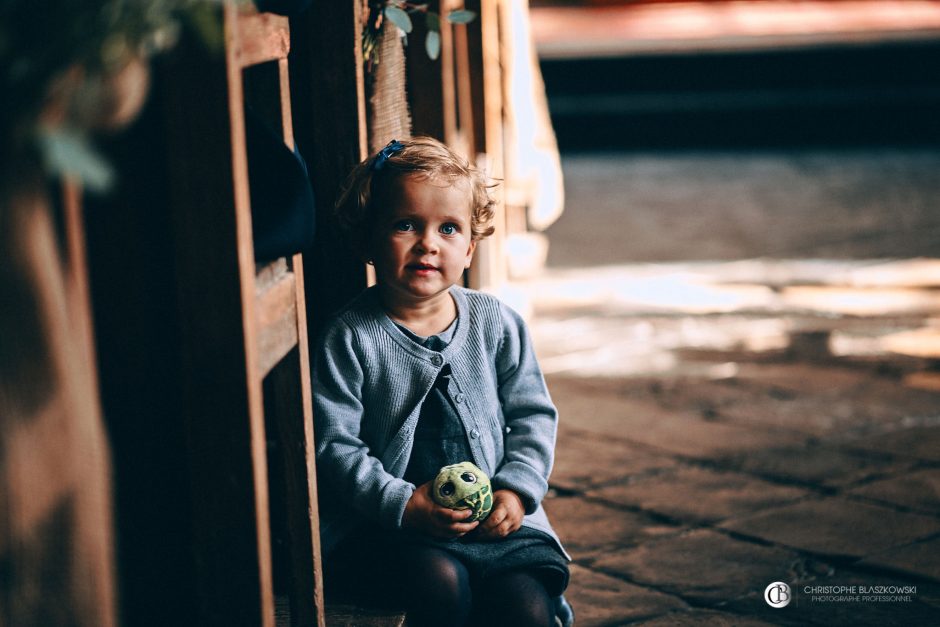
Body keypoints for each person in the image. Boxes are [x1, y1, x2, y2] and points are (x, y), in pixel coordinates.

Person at [312, 137, 573, 627]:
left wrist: (515, 492)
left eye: (448, 228)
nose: (427, 242)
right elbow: (334, 445)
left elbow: (533, 416)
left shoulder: (496, 323)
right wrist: (403, 503)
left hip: (495, 521)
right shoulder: (348, 337)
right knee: (441, 590)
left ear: (470, 247)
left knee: (528, 608)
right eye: (405, 224)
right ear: (369, 239)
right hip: (398, 527)